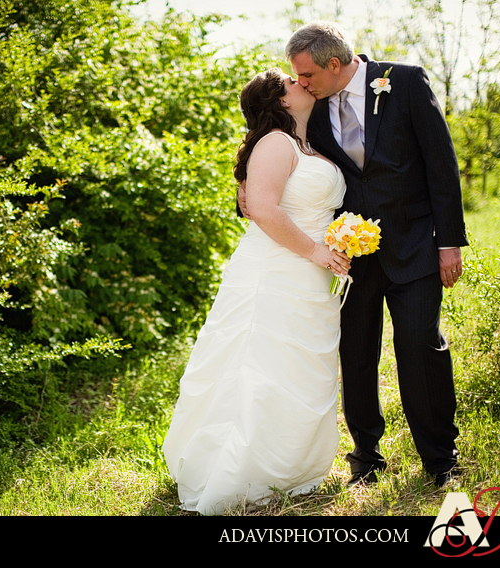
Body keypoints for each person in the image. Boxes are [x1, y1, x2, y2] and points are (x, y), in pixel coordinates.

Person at [240, 21, 468, 488]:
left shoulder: (405, 82)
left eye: (306, 74)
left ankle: (441, 459)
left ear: (334, 64)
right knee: (356, 356)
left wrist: (449, 242)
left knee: (421, 348)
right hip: (349, 258)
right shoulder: (311, 105)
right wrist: (243, 187)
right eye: (296, 77)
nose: (301, 83)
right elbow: (275, 151)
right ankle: (366, 459)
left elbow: (441, 164)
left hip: (415, 248)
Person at [162, 68, 351, 515]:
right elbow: (264, 209)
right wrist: (315, 251)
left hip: (311, 276)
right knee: (259, 367)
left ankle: (290, 468)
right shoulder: (275, 143)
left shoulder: (309, 144)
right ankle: (239, 471)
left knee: (297, 369)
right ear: (281, 101)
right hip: (275, 271)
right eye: (292, 82)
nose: (302, 83)